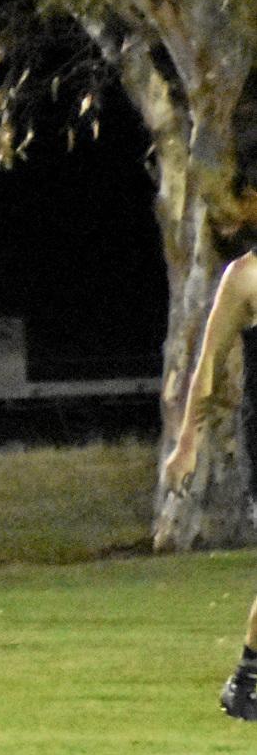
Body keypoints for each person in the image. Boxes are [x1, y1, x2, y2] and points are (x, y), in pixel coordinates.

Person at [161, 249, 257, 720]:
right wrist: (187, 444)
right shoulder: (245, 277)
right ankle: (248, 679)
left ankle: (248, 679)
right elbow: (208, 366)